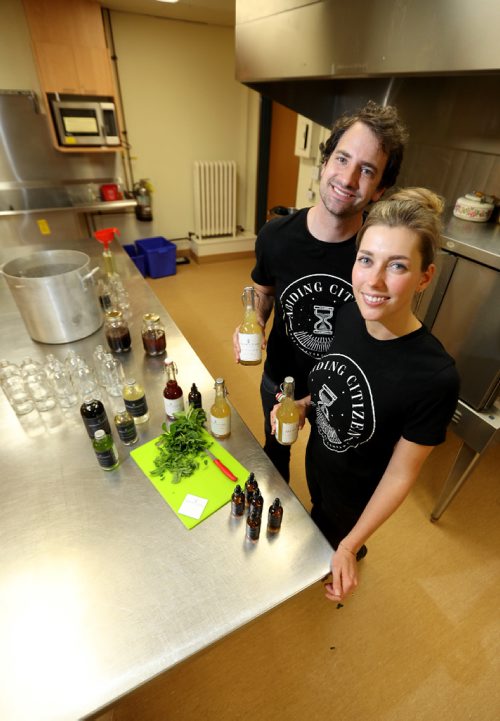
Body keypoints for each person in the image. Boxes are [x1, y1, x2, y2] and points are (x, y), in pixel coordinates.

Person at [272, 187, 460, 602]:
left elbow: (400, 473)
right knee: (316, 508)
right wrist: (302, 406)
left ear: (424, 277)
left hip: (359, 493)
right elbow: (329, 387)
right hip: (320, 460)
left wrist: (351, 544)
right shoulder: (348, 313)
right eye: (366, 259)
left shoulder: (434, 376)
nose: (373, 281)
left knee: (335, 536)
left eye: (397, 266)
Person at [233, 101, 409, 482]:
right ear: (325, 162)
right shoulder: (275, 237)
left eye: (366, 171)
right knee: (275, 456)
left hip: (341, 393)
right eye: (342, 160)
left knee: (328, 479)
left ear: (380, 189)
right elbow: (263, 292)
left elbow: (385, 340)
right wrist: (254, 321)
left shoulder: (378, 257)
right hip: (280, 379)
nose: (347, 180)